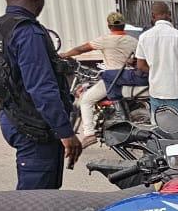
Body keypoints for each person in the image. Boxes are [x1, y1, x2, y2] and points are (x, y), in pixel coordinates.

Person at [0, 0, 80, 189]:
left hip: (13, 117)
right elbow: (41, 88)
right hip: (35, 125)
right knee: (36, 199)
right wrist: (65, 131)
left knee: (39, 193)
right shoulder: (28, 32)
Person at [60, 11, 141, 144]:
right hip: (130, 77)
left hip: (113, 78)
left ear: (109, 26)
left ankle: (89, 134)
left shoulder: (105, 40)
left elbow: (82, 49)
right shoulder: (134, 41)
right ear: (123, 25)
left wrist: (66, 54)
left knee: (86, 100)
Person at [135, 1, 178, 118]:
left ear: (153, 16)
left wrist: (157, 71)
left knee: (161, 126)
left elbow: (140, 66)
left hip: (156, 92)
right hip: (177, 92)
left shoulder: (144, 37)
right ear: (169, 14)